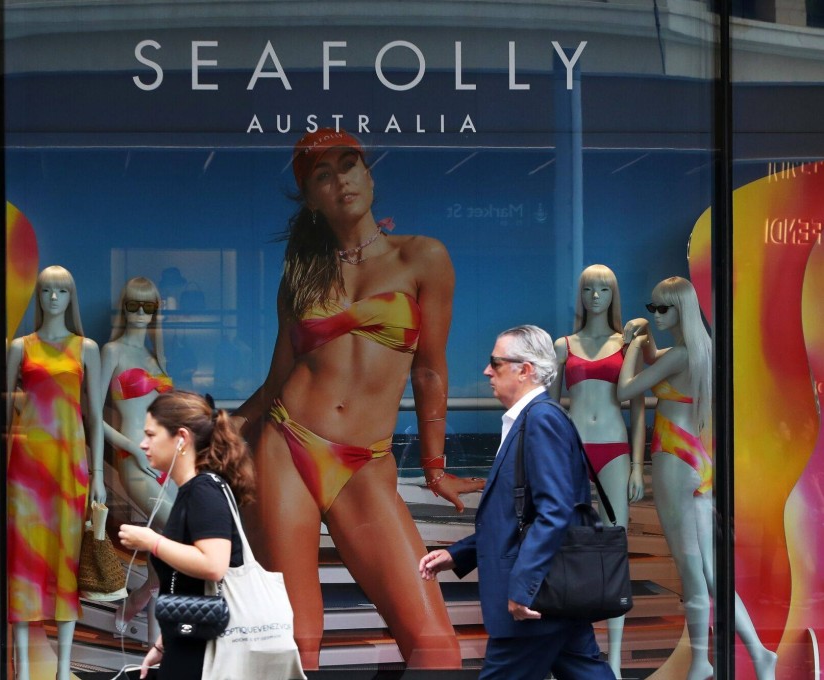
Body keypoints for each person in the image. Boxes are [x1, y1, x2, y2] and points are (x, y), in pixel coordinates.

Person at [232, 127, 483, 669]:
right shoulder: (300, 276)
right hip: (286, 442)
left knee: (436, 646)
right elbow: (278, 378)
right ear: (311, 198)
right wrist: (219, 432)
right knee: (299, 640)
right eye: (322, 174)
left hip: (365, 461)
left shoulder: (422, 257)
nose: (340, 179)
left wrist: (435, 468)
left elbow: (431, 372)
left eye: (349, 164)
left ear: (368, 175)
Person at [420, 325, 615, 680]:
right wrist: (458, 554)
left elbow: (555, 511)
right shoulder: (529, 420)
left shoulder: (541, 421)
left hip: (533, 604)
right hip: (555, 598)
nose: (486, 371)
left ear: (525, 369)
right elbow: (518, 516)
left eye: (495, 362)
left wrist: (523, 588)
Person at [619, 276, 777, 680]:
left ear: (681, 309)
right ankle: (759, 653)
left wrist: (634, 348)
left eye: (662, 308)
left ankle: (701, 661)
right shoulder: (700, 350)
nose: (656, 314)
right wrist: (648, 342)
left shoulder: (682, 355)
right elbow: (662, 360)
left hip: (674, 458)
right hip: (698, 460)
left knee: (691, 573)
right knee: (711, 573)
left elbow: (626, 391)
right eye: (652, 307)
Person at [6, 265, 105, 680]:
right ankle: (24, 668)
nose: (52, 299)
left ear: (70, 298)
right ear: (38, 296)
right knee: (23, 560)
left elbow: (96, 416)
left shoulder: (87, 348)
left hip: (70, 469)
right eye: (46, 291)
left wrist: (99, 472)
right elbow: (2, 405)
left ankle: (64, 668)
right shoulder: (20, 347)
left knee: (66, 560)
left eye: (61, 292)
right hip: (27, 470)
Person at [117, 390, 255, 679]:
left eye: (151, 435)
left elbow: (214, 565)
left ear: (181, 438)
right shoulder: (195, 490)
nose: (142, 444)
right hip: (190, 646)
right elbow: (190, 585)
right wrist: (165, 642)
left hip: (204, 657)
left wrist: (151, 541)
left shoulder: (203, 491)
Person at [548, 264, 644, 677]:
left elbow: (638, 409)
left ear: (614, 294)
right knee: (563, 544)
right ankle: (562, 651)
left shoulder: (628, 343)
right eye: (589, 289)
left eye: (604, 289)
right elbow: (549, 409)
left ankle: (616, 659)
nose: (596, 297)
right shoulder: (562, 345)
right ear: (581, 295)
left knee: (614, 549)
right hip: (571, 449)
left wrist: (639, 466)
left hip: (614, 448)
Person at [99, 276, 175, 637]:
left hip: (167, 459)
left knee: (170, 534)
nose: (141, 314)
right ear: (123, 308)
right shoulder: (111, 352)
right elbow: (91, 417)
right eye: (134, 305)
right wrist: (128, 448)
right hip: (134, 457)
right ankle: (143, 596)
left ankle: (152, 636)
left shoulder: (155, 356)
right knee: (176, 528)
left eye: (150, 306)